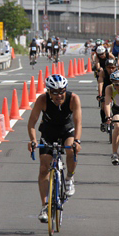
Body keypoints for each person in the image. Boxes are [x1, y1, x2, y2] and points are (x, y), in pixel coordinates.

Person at [27, 74, 82, 223]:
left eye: (62, 91)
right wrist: (32, 140)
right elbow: (31, 123)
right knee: (44, 167)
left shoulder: (73, 99)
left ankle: (69, 177)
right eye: (55, 92)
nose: (59, 95)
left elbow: (78, 123)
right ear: (49, 92)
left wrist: (77, 141)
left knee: (71, 149)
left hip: (67, 130)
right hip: (49, 131)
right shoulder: (42, 100)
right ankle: (45, 206)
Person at [97, 59, 117, 132]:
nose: (111, 69)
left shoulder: (118, 72)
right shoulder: (103, 72)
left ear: (115, 67)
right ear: (106, 67)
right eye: (109, 68)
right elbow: (100, 82)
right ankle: (103, 121)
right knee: (103, 104)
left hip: (115, 89)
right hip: (105, 88)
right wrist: (100, 94)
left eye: (112, 67)